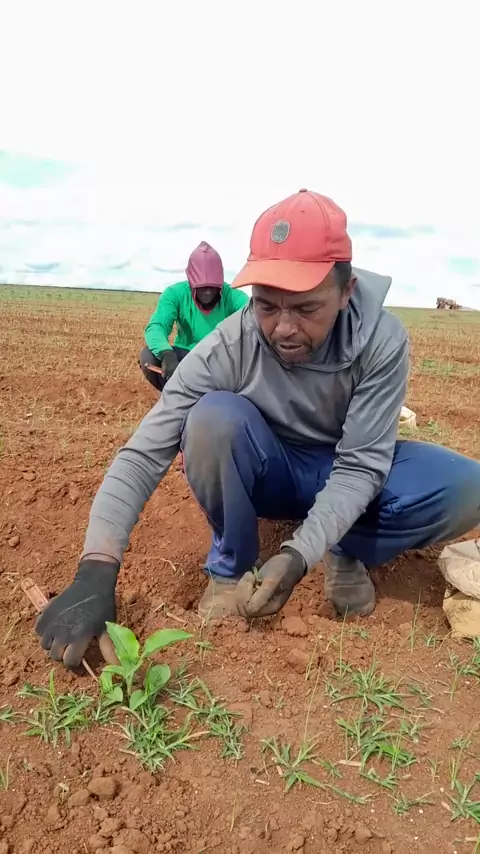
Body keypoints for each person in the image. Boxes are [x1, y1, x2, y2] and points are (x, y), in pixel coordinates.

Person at [36, 189, 480, 670]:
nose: (283, 327)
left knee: (466, 487)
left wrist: (298, 555)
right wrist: (96, 571)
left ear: (346, 291)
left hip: (345, 468)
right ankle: (231, 568)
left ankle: (346, 547)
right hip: (275, 472)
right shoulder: (230, 345)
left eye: (306, 308)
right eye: (267, 305)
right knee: (211, 420)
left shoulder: (381, 340)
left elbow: (360, 466)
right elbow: (143, 453)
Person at [139, 241, 249, 391]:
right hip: (186, 356)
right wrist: (166, 354)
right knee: (149, 356)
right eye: (202, 287)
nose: (208, 292)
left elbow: (253, 316)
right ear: (191, 282)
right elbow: (157, 326)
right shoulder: (175, 293)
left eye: (213, 287)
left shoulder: (232, 296)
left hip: (220, 359)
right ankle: (175, 395)